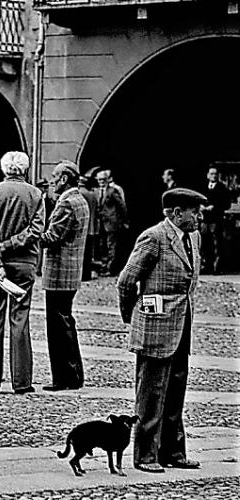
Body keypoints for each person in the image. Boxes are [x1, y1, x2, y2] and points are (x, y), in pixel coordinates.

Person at [117, 187, 207, 473]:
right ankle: (146, 455)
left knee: (176, 390)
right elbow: (126, 282)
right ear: (177, 213)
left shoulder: (193, 237)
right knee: (151, 393)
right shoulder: (154, 237)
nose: (199, 216)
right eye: (195, 211)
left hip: (182, 325)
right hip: (156, 328)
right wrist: (136, 316)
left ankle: (174, 452)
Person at [0, 151, 45, 395]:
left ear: (4, 169)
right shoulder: (36, 194)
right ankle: (21, 381)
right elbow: (36, 230)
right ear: (25, 169)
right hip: (24, 263)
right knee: (20, 320)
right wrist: (11, 244)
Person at [41, 160, 89, 391]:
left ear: (63, 179)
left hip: (59, 272)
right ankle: (74, 374)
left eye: (54, 176)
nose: (51, 180)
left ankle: (65, 377)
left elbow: (52, 237)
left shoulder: (67, 203)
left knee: (58, 327)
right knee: (66, 322)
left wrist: (30, 237)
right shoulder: (79, 200)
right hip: (69, 272)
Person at [95, 169, 128, 276]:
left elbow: (122, 206)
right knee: (102, 246)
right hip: (101, 224)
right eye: (99, 180)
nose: (101, 182)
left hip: (112, 223)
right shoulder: (96, 192)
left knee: (111, 246)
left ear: (107, 180)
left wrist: (123, 220)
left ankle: (110, 268)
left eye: (103, 180)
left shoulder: (113, 191)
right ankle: (104, 266)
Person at [200, 166, 231, 274]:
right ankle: (206, 266)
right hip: (204, 220)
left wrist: (215, 207)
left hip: (215, 219)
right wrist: (201, 207)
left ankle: (217, 267)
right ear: (208, 175)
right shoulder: (203, 187)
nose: (214, 176)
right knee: (205, 243)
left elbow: (227, 204)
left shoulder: (222, 188)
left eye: (215, 174)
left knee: (216, 244)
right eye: (212, 173)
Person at [78, 175, 98, 281]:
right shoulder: (92, 194)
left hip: (83, 228)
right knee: (88, 254)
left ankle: (82, 275)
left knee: (82, 254)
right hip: (92, 227)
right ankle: (87, 274)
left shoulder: (80, 194)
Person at [36, 178, 56, 276]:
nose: (45, 189)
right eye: (44, 187)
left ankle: (39, 268)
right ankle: (37, 268)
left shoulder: (49, 200)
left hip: (45, 226)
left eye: (46, 187)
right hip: (38, 225)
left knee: (40, 247)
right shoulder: (36, 198)